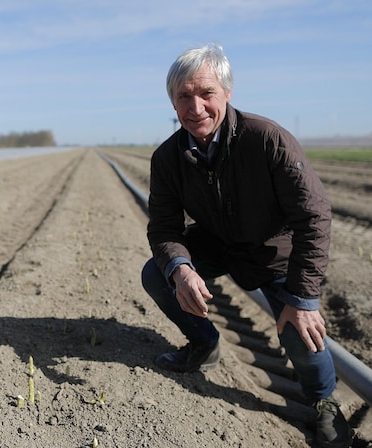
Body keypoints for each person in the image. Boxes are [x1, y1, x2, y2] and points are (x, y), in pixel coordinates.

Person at [141, 44, 351, 447]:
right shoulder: (167, 158)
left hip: (276, 253)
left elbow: (314, 216)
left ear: (227, 92)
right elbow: (164, 228)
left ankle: (324, 402)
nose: (196, 107)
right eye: (183, 96)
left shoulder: (267, 139)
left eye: (206, 93)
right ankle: (204, 343)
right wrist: (181, 269)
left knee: (300, 333)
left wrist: (303, 298)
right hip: (219, 244)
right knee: (157, 273)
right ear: (172, 101)